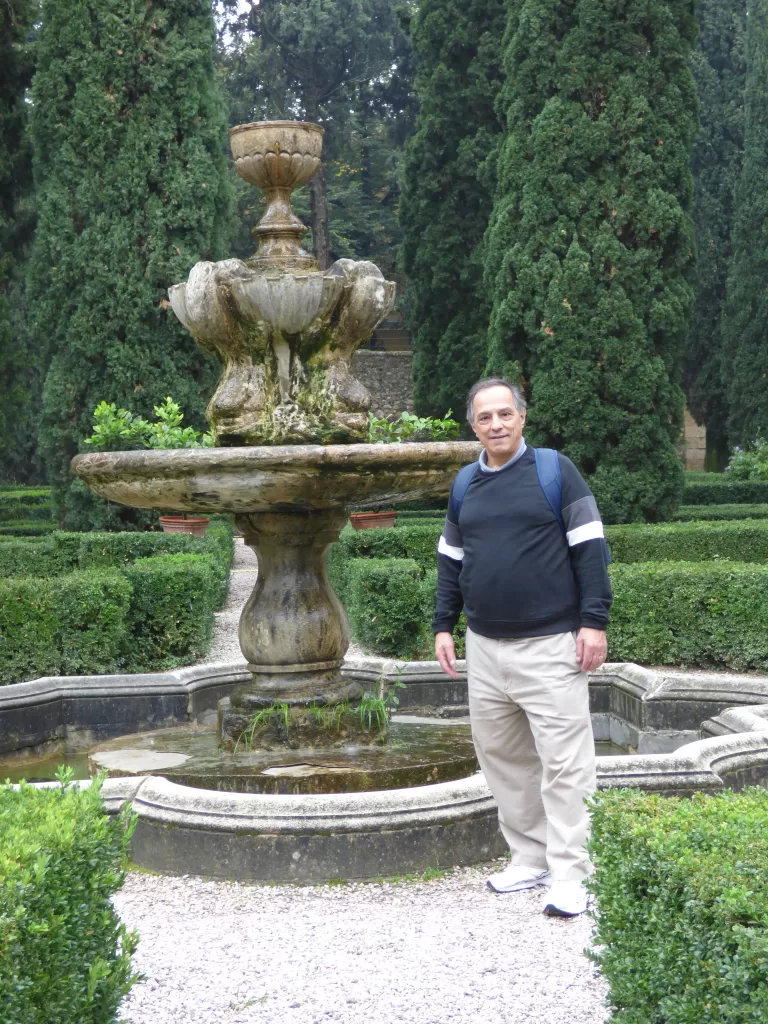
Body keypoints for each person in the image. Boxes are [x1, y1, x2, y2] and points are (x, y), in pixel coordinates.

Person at [433, 378, 612, 917]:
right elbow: (450, 560)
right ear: (474, 425)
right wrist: (444, 625)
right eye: (485, 417)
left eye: (505, 414)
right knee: (505, 761)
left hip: (551, 644)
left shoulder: (555, 471)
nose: (496, 425)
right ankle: (531, 858)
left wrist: (594, 623)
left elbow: (590, 548)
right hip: (485, 648)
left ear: (522, 417)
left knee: (565, 765)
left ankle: (572, 873)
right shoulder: (466, 483)